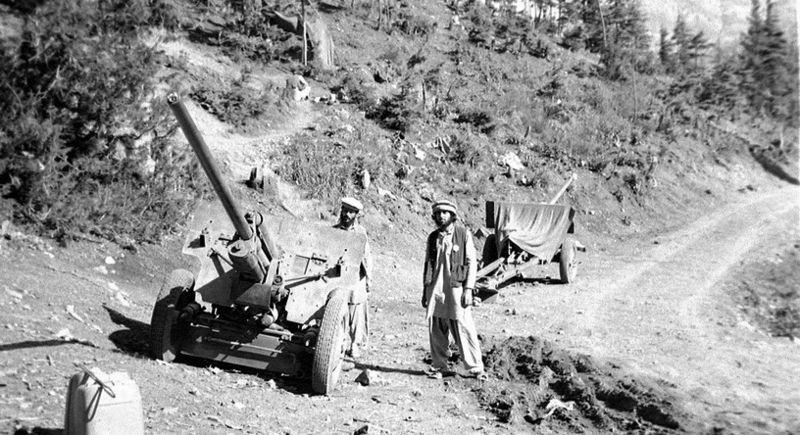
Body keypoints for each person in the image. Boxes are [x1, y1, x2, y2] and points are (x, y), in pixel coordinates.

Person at [421, 199, 486, 380]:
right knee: (436, 328)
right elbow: (428, 263)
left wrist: (469, 289)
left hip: (457, 289)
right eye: (438, 213)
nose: (441, 216)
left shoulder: (463, 234)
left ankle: (475, 368)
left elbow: (471, 262)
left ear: (452, 215)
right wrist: (424, 291)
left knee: (464, 327)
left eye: (445, 213)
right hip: (436, 290)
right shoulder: (433, 237)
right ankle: (439, 366)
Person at [333, 197, 372, 359]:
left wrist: (369, 279)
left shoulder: (361, 234)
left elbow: (366, 257)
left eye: (350, 212)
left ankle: (355, 344)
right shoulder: (333, 230)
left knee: (356, 309)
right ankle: (336, 341)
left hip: (355, 276)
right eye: (344, 210)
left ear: (356, 215)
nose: (346, 214)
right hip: (337, 275)